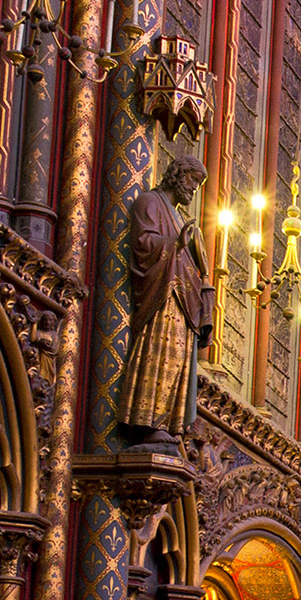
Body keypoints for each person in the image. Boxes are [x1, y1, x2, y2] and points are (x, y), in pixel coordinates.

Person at [121, 154, 213, 442]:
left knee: (176, 363)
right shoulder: (150, 202)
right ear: (177, 174)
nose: (194, 188)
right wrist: (176, 243)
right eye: (193, 180)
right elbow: (143, 244)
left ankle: (168, 424)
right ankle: (147, 421)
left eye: (199, 183)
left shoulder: (178, 217)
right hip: (162, 297)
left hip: (182, 300)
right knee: (158, 356)